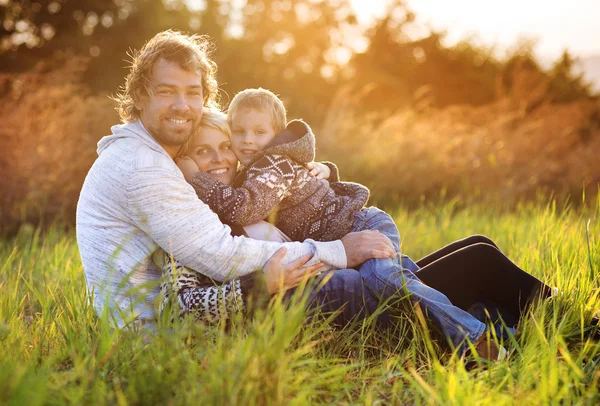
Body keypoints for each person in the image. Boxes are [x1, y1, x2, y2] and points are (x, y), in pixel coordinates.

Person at [75, 30, 396, 330]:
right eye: (166, 91)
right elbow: (220, 256)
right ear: (140, 96)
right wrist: (336, 252)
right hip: (158, 341)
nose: (182, 105)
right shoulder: (143, 167)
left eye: (192, 93)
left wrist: (316, 170)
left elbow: (259, 183)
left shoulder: (159, 159)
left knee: (388, 276)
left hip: (201, 318)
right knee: (361, 285)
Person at [175, 88, 494, 353]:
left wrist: (197, 178)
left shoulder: (266, 167)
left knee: (388, 280)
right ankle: (495, 329)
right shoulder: (214, 197)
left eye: (257, 133)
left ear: (275, 136)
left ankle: (474, 338)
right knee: (412, 274)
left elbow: (253, 201)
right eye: (239, 133)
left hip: (360, 226)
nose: (245, 142)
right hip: (333, 252)